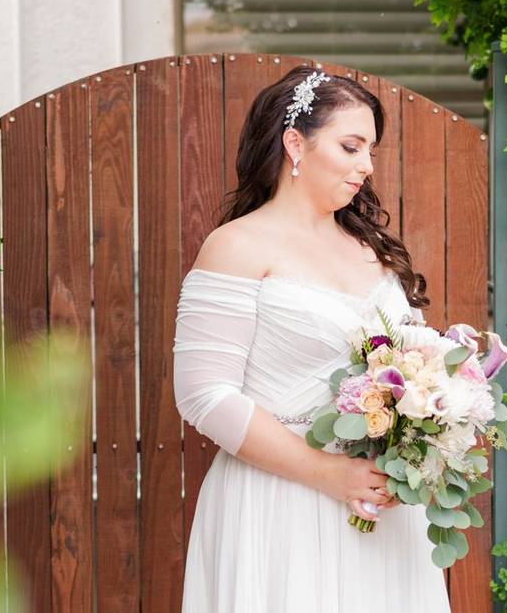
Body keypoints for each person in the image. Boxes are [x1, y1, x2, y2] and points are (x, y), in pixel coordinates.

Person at [173, 67, 451, 612]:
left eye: (370, 150)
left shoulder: (371, 250)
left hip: (380, 504)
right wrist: (329, 473)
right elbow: (204, 394)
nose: (366, 166)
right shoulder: (236, 247)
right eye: (351, 146)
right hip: (280, 502)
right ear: (295, 143)